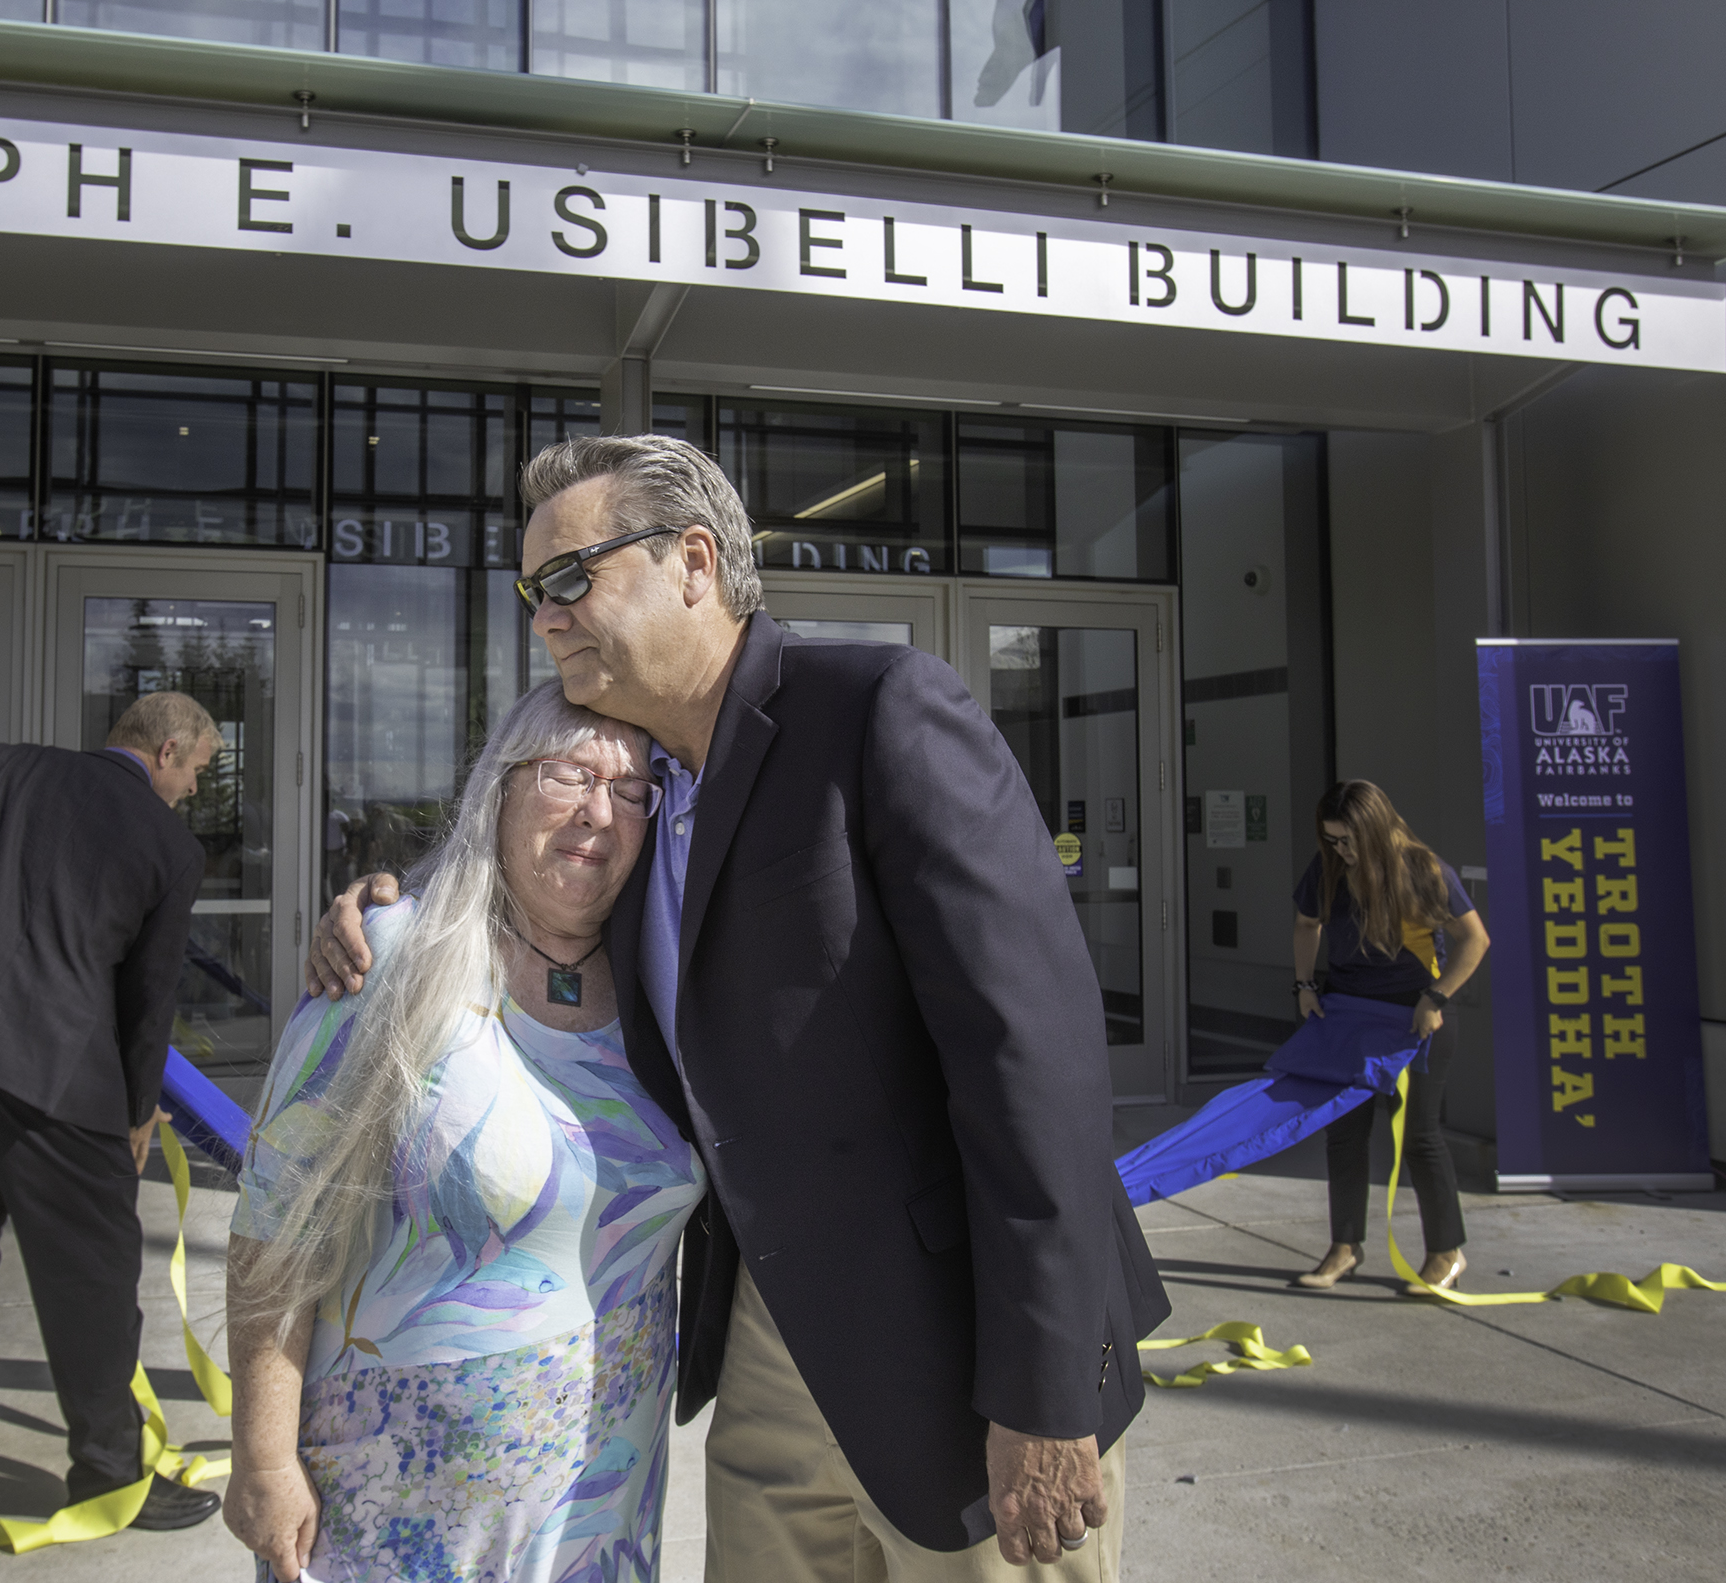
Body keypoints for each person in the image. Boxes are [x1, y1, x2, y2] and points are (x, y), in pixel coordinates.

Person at [308, 435, 1169, 1580]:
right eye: (531, 592)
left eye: (568, 578)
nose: (544, 616)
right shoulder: (644, 783)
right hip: (767, 1350)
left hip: (964, 1354)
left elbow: (1036, 1059)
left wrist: (1046, 1390)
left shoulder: (877, 710)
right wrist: (390, 908)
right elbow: (532, 893)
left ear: (694, 563)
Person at [224, 681, 704, 1582]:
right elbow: (275, 1227)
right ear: (502, 787)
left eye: (633, 790)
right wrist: (263, 1457)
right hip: (391, 1518)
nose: (599, 811)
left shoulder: (664, 987)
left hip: (599, 1519)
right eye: (569, 774)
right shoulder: (395, 959)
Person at [0, 691, 226, 1537]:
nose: (192, 792)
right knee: (94, 1285)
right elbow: (148, 1004)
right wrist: (139, 1113)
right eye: (198, 773)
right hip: (62, 1085)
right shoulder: (168, 846)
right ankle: (108, 1476)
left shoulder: (9, 766)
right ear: (168, 750)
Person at [1289, 780, 1491, 1295]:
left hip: (1416, 1017)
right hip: (1349, 1014)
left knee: (1420, 1137)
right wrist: (1306, 986)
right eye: (1333, 840)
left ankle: (1446, 1253)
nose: (1342, 850)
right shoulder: (1329, 869)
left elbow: (1475, 940)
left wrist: (1436, 998)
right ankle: (1345, 1248)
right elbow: (1306, 925)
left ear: (1376, 829)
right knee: (1345, 1133)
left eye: (1350, 840)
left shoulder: (1423, 870)